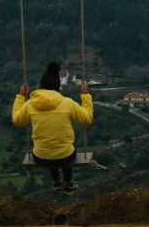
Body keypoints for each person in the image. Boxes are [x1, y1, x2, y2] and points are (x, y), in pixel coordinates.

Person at [12, 62, 93, 193]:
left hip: (40, 158)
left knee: (49, 144)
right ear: (58, 86)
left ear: (41, 86)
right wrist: (85, 95)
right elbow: (87, 118)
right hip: (65, 157)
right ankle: (69, 184)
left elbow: (16, 120)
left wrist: (21, 96)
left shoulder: (29, 105)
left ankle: (56, 181)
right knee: (64, 148)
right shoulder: (68, 103)